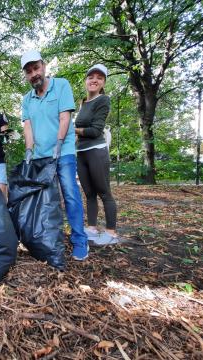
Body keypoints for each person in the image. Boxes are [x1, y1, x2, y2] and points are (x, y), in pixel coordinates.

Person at [20, 49, 89, 261]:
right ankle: (49, 238)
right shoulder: (27, 99)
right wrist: (29, 150)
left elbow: (64, 117)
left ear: (44, 65)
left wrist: (59, 144)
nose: (34, 74)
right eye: (29, 71)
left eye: (36, 68)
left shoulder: (61, 85)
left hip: (63, 151)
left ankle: (80, 240)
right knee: (47, 199)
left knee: (69, 192)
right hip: (41, 156)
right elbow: (28, 127)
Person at [75, 64, 118, 245]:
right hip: (81, 153)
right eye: (91, 77)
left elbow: (95, 130)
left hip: (96, 151)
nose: (94, 80)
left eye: (99, 78)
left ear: (103, 83)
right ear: (86, 80)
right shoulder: (83, 102)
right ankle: (92, 228)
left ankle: (111, 232)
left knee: (104, 193)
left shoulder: (103, 100)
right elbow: (82, 130)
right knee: (89, 193)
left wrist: (74, 129)